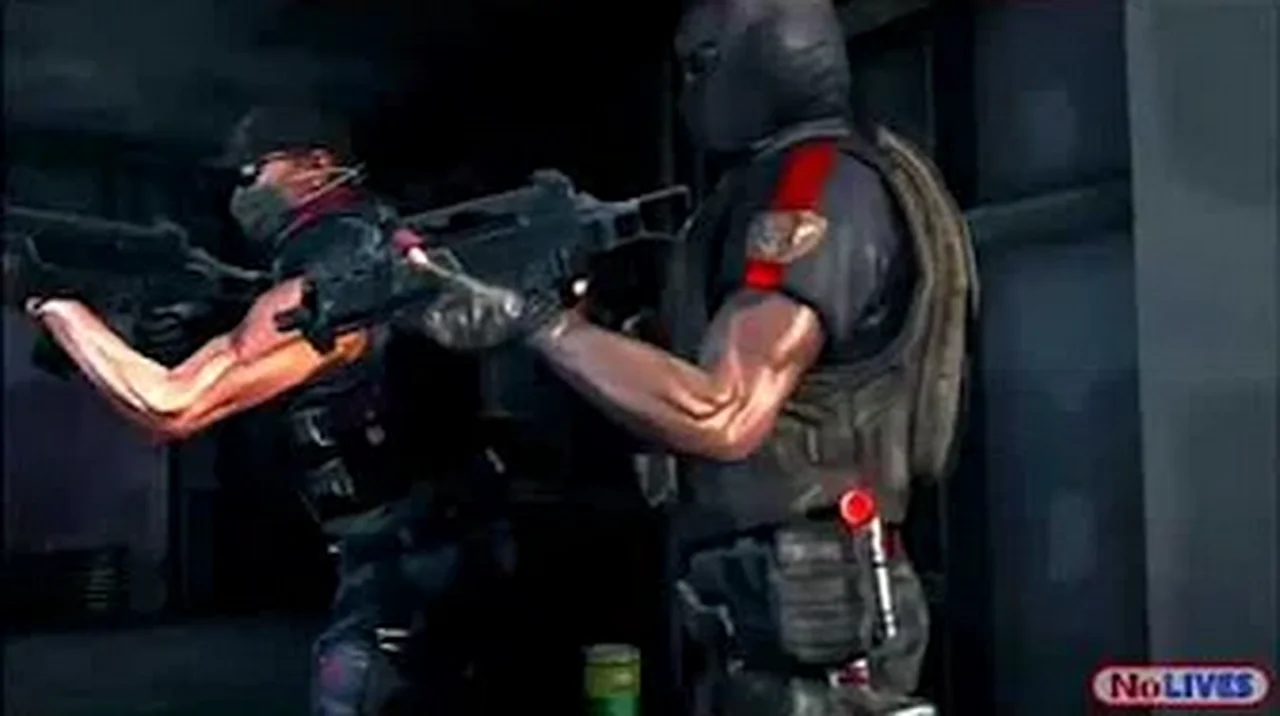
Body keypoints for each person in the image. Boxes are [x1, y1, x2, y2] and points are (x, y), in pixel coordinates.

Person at [411, 0, 977, 713]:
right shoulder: (778, 182)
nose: (686, 93)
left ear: (763, 59)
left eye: (697, 67)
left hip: (817, 609)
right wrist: (592, 328)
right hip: (763, 604)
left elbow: (724, 411)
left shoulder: (818, 185)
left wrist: (541, 324)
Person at [22, 105, 515, 716]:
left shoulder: (342, 252)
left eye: (253, 172)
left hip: (417, 549)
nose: (242, 191)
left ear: (317, 166)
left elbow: (171, 406)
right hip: (419, 537)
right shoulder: (363, 238)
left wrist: (54, 305)